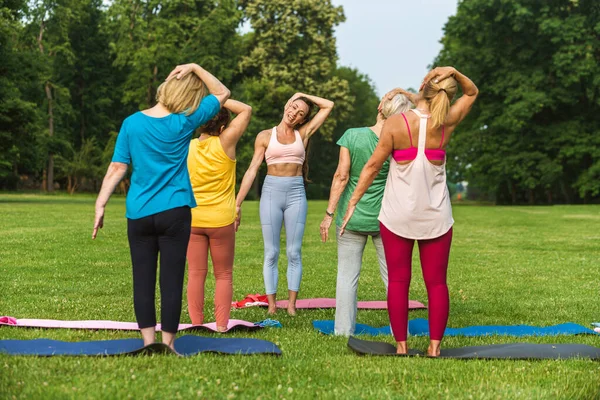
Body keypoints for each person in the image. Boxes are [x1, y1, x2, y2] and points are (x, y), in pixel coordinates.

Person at [341, 66, 478, 356]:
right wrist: (453, 71)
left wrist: (352, 202)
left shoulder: (395, 124)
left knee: (399, 282)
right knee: (437, 283)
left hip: (397, 217)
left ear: (425, 86)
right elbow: (472, 91)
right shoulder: (448, 120)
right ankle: (434, 347)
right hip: (436, 218)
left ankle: (401, 347)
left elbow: (372, 167)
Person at [92, 63, 230, 349]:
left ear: (165, 87)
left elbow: (118, 167)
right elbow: (222, 91)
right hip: (174, 211)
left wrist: (100, 203)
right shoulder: (185, 121)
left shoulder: (132, 122)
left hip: (139, 212)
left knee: (142, 279)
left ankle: (147, 343)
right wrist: (195, 67)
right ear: (189, 96)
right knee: (171, 279)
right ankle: (167, 344)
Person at [319, 93, 411, 336]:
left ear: (380, 107)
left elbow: (341, 176)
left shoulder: (352, 135)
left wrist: (329, 214)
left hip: (351, 219)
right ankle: (397, 330)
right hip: (387, 219)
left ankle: (343, 331)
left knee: (347, 277)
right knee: (394, 278)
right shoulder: (400, 141)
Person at [236, 92, 334, 315]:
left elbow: (328, 106)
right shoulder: (264, 136)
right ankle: (272, 305)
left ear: (302, 120)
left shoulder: (303, 134)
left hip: (296, 194)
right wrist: (238, 203)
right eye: (293, 108)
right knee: (271, 252)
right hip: (271, 192)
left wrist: (302, 95)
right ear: (286, 106)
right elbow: (252, 170)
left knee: (294, 252)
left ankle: (291, 305)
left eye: (300, 113)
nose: (294, 114)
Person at [186, 99, 252, 331]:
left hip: (193, 219)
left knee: (195, 274)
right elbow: (246, 110)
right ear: (223, 128)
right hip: (221, 220)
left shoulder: (188, 146)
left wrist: (206, 101)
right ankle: (222, 326)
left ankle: (196, 324)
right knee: (223, 274)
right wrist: (219, 96)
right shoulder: (226, 142)